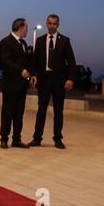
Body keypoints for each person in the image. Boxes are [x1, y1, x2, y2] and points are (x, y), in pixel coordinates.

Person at [28, 14, 76, 149]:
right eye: (50, 23)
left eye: (55, 24)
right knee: (41, 110)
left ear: (58, 25)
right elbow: (34, 61)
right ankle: (37, 138)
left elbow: (72, 62)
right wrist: (33, 74)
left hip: (60, 81)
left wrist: (70, 79)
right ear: (47, 24)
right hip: (44, 80)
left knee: (58, 111)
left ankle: (58, 139)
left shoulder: (65, 41)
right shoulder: (40, 40)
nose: (52, 26)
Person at [0, 18, 36, 149]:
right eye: (26, 27)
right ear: (20, 27)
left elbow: (28, 62)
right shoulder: (6, 42)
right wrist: (21, 71)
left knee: (19, 113)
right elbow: (6, 61)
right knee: (7, 112)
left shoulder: (24, 43)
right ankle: (4, 138)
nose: (27, 29)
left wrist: (31, 75)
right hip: (10, 84)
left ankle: (17, 139)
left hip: (22, 85)